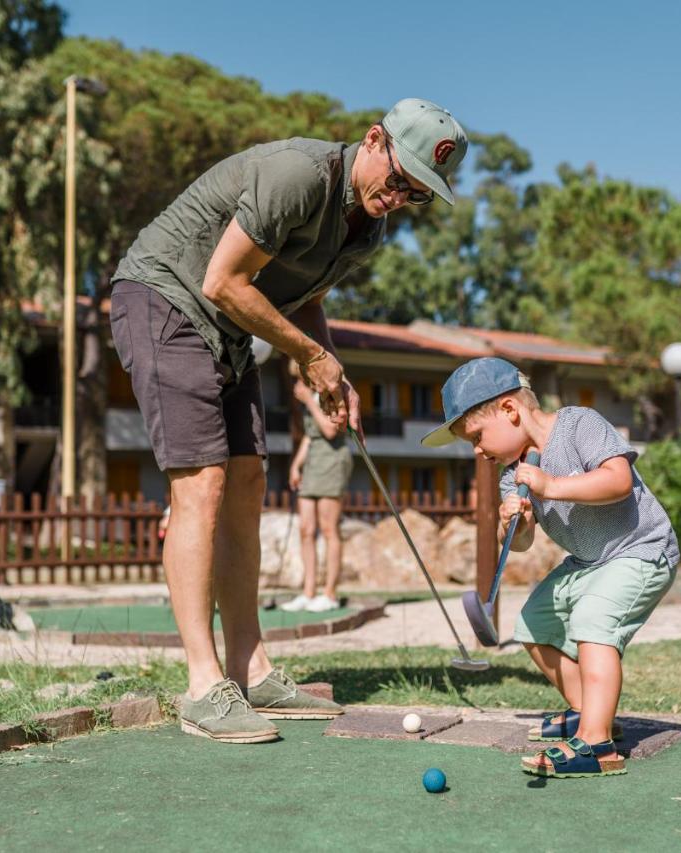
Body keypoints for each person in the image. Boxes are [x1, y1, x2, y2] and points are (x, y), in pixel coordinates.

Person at [109, 99, 469, 743]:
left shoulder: (365, 229)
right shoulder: (297, 176)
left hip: (229, 329)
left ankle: (251, 668)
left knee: (248, 482)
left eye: (416, 194)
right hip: (166, 299)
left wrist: (327, 369)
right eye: (399, 179)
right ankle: (201, 683)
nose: (399, 197)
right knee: (203, 485)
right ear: (374, 141)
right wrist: (311, 357)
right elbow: (223, 281)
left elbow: (308, 298)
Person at [422, 357, 679, 778]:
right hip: (588, 561)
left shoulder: (578, 424)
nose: (478, 450)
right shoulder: (512, 474)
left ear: (509, 410)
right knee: (534, 622)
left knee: (594, 619)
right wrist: (515, 524)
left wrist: (551, 486)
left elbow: (617, 480)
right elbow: (522, 544)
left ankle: (597, 747)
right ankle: (590, 715)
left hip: (641, 548)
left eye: (477, 437)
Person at [282, 361, 353, 613]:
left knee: (328, 528)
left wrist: (310, 403)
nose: (297, 384)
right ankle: (308, 592)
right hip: (313, 462)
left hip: (333, 461)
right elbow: (311, 437)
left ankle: (330, 594)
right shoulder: (308, 399)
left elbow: (330, 431)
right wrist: (296, 465)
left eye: (300, 378)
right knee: (305, 529)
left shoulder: (329, 396)